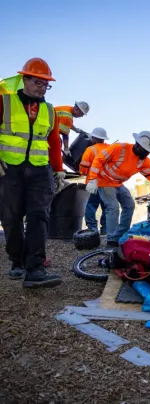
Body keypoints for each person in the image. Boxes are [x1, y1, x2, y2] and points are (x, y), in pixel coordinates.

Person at [0, 57, 66, 288]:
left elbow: (54, 143)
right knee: (11, 217)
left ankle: (35, 269)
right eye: (37, 81)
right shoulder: (4, 102)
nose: (41, 87)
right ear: (24, 79)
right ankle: (17, 262)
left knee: (39, 216)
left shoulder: (50, 111)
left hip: (39, 170)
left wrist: (58, 171)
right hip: (9, 170)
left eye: (45, 83)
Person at [86, 131, 150, 247]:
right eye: (145, 150)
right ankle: (112, 240)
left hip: (118, 184)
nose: (147, 154)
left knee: (129, 205)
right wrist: (93, 179)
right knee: (112, 207)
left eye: (148, 152)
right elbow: (98, 159)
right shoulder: (119, 148)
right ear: (137, 145)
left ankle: (122, 235)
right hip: (104, 181)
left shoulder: (144, 161)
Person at [79, 127, 110, 234]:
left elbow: (83, 169)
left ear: (94, 138)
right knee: (106, 206)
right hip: (108, 184)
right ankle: (105, 229)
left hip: (93, 183)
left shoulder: (90, 150)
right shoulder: (110, 148)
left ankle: (92, 229)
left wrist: (84, 172)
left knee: (91, 205)